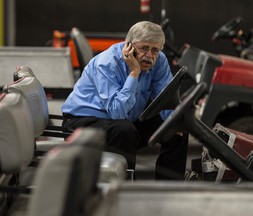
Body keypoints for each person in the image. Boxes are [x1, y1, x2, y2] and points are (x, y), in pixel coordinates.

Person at [61, 21, 188, 180]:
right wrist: (134, 72)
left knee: (176, 127)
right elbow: (117, 113)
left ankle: (170, 188)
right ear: (129, 46)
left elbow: (166, 97)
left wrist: (174, 120)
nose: (149, 55)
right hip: (83, 123)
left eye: (155, 50)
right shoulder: (107, 62)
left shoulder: (159, 60)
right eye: (144, 48)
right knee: (124, 130)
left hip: (124, 122)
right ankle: (125, 188)